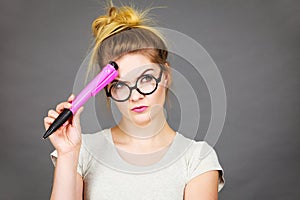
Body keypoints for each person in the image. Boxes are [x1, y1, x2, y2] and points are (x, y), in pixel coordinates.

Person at [44, 3, 225, 200]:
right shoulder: (83, 152)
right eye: (120, 85)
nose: (135, 96)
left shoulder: (197, 158)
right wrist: (68, 154)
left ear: (165, 76)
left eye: (146, 79)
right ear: (107, 89)